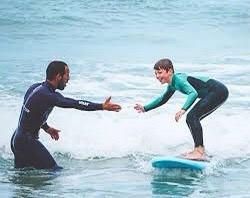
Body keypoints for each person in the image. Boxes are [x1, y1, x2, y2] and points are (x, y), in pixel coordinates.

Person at [11, 61, 121, 170]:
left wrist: (47, 128)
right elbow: (75, 103)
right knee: (55, 170)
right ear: (58, 76)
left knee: (22, 177)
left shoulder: (35, 88)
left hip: (17, 138)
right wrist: (101, 106)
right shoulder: (48, 95)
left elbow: (31, 113)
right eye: (67, 74)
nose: (68, 78)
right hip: (27, 141)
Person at [134, 58, 228, 160]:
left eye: (160, 73)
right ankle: (199, 150)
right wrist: (145, 108)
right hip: (215, 92)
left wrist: (183, 109)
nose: (157, 76)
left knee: (192, 117)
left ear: (169, 71)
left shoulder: (179, 80)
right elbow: (163, 99)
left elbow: (193, 93)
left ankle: (199, 151)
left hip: (218, 91)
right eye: (155, 74)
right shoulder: (172, 84)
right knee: (193, 118)